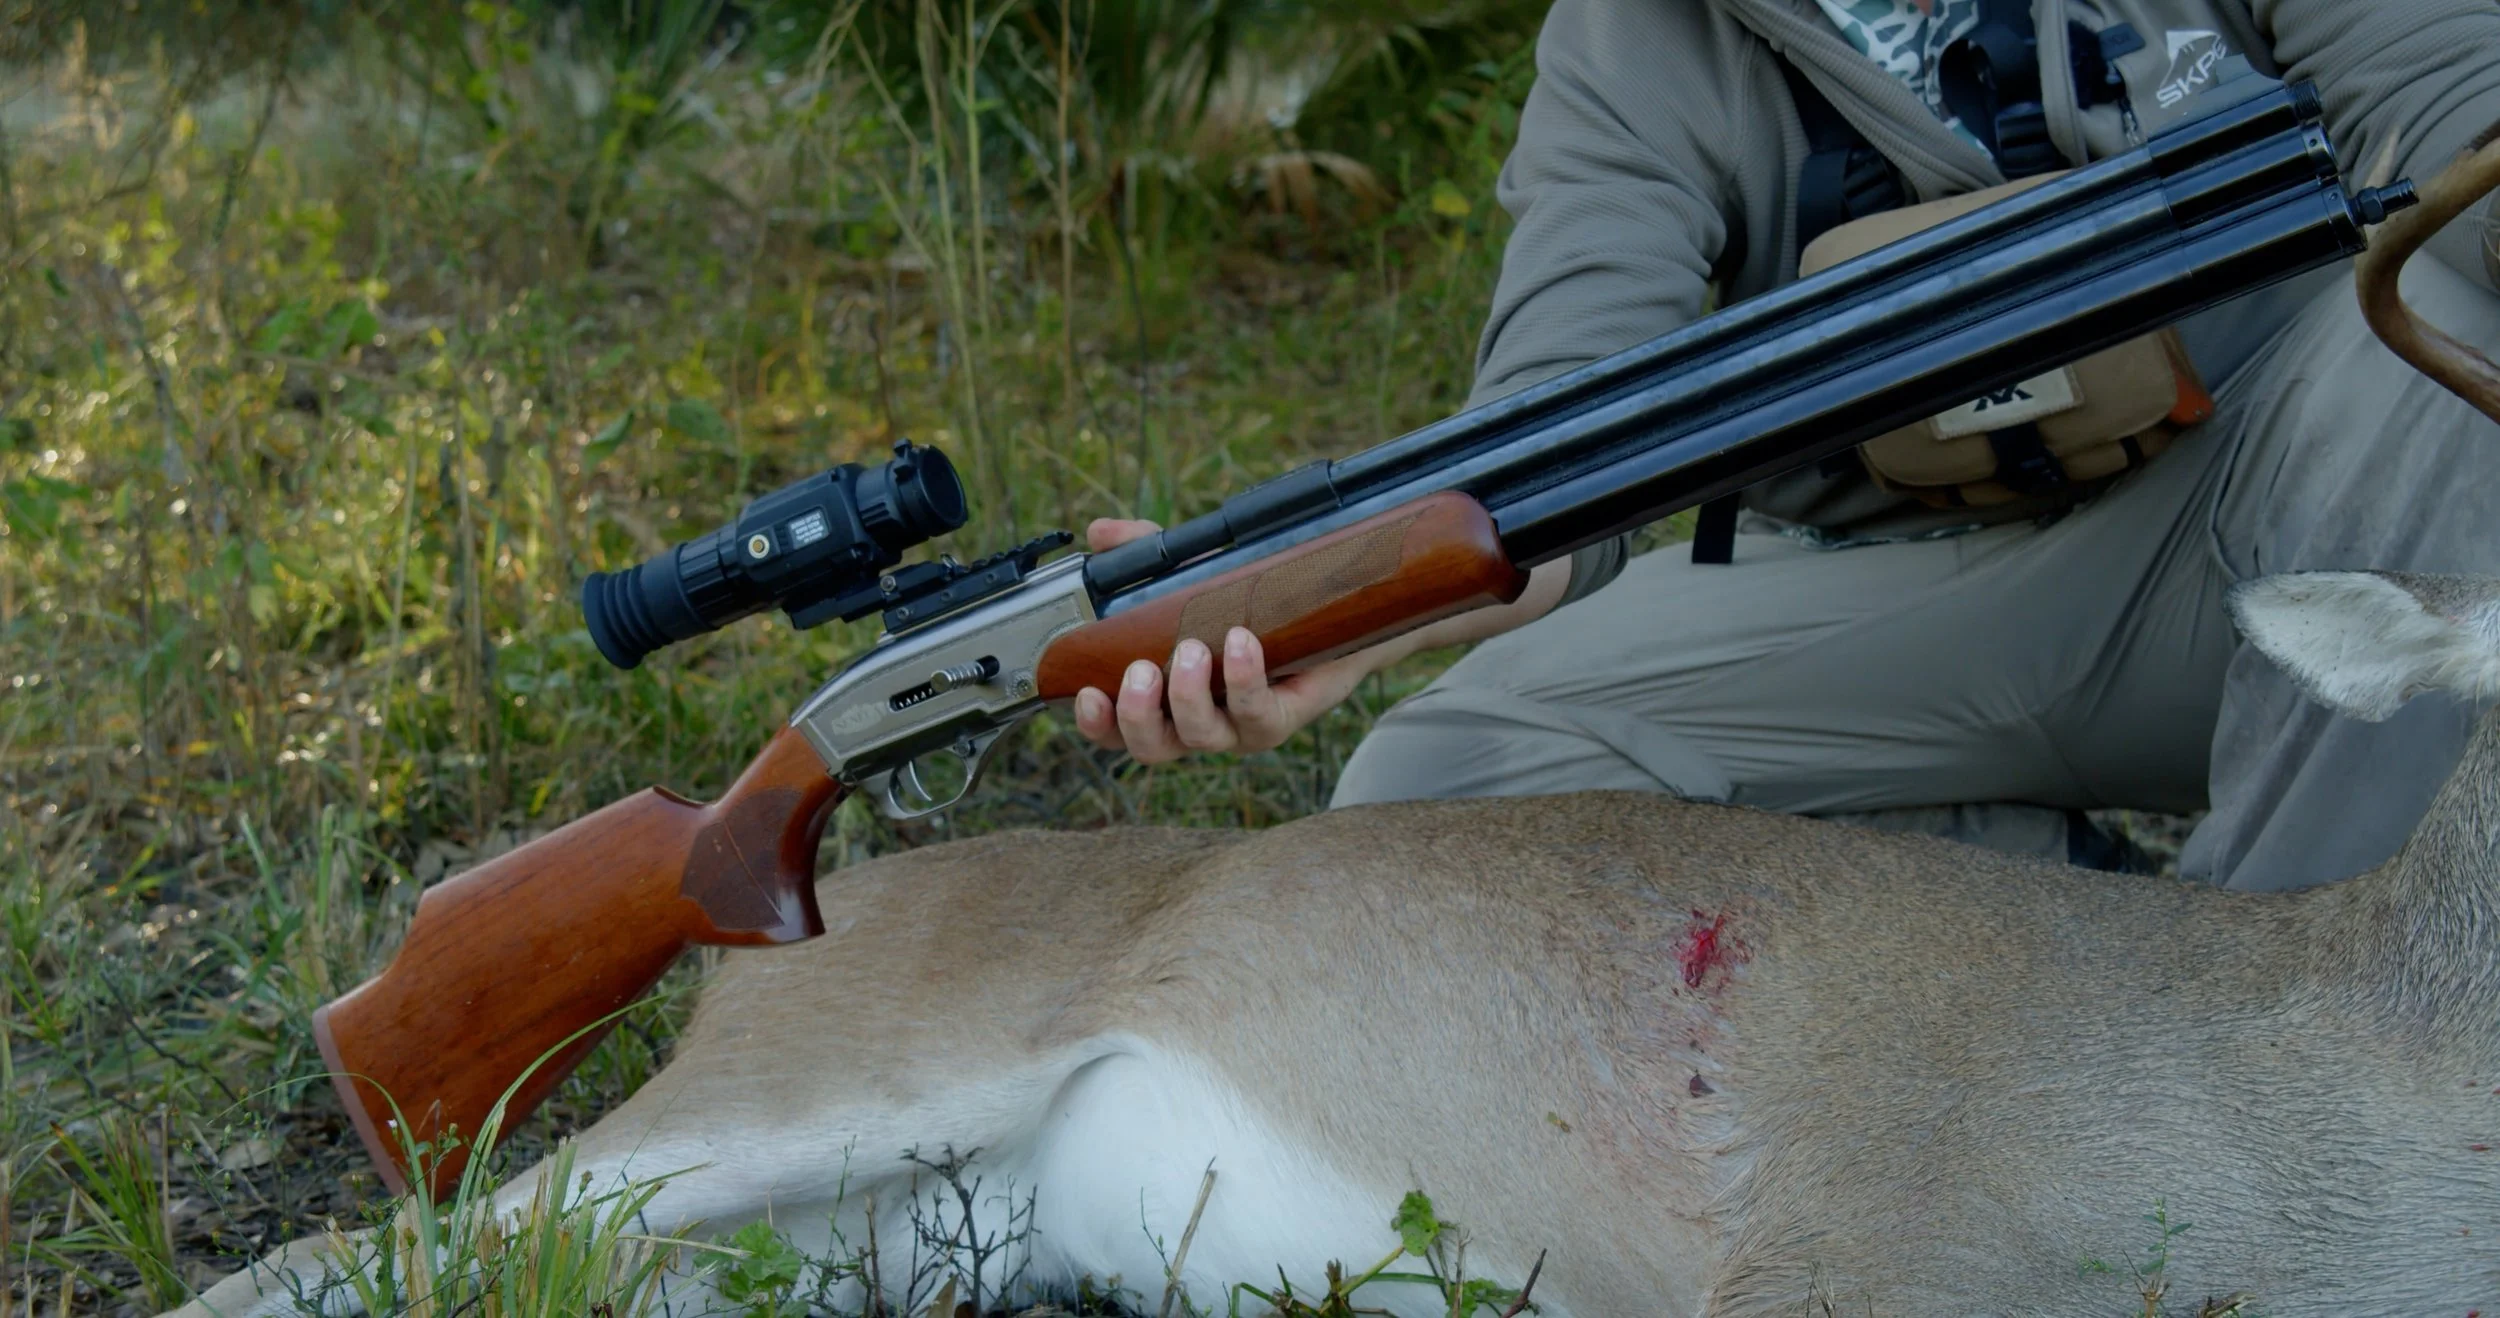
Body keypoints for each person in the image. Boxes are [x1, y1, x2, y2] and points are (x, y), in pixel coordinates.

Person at [1071, 0, 2500, 893]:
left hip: (2291, 556)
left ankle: (2300, 1014)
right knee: (1434, 799)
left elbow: (2457, 104)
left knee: (2441, 309)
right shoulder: (1627, 39)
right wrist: (1337, 625)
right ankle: (2088, 934)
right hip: (1904, 599)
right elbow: (1550, 435)